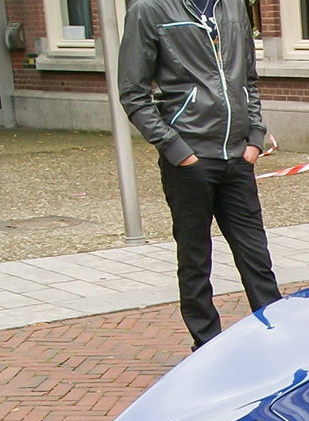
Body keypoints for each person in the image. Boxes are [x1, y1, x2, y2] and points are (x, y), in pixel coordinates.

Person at [118, 0, 281, 350]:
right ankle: (206, 347)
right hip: (190, 159)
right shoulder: (149, 10)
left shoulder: (234, 6)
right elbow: (133, 93)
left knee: (257, 258)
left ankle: (278, 337)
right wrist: (177, 149)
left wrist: (254, 136)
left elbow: (248, 78)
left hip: (237, 156)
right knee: (195, 260)